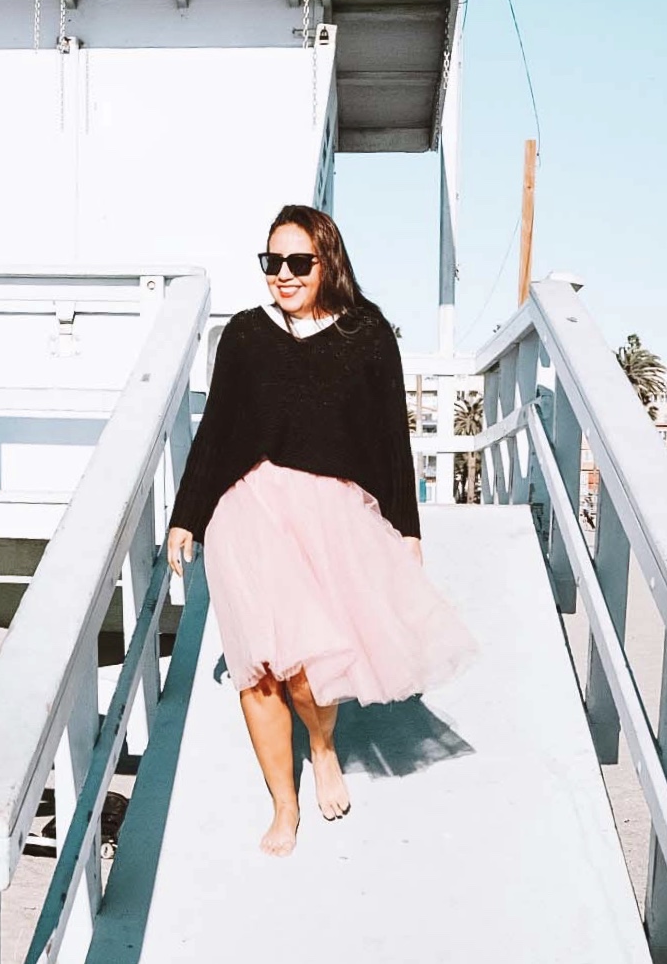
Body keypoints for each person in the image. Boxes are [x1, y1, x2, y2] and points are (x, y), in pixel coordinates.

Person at [166, 205, 477, 857]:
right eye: (271, 262)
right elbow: (216, 429)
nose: (282, 274)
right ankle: (284, 806)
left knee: (309, 666)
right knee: (258, 670)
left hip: (329, 512)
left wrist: (405, 527)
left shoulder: (366, 332)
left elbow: (392, 436)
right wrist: (186, 515)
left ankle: (322, 744)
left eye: (297, 262)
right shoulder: (245, 336)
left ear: (326, 260)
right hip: (245, 509)